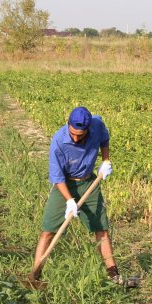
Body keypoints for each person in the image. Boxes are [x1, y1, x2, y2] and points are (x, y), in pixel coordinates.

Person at [28, 106, 120, 284]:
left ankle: (114, 274)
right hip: (65, 184)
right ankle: (35, 274)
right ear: (68, 124)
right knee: (48, 231)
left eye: (80, 135)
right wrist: (69, 200)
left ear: (88, 129)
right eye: (73, 134)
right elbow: (57, 177)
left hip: (89, 183)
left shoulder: (97, 125)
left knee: (101, 229)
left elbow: (104, 140)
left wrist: (106, 161)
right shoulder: (59, 141)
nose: (76, 138)